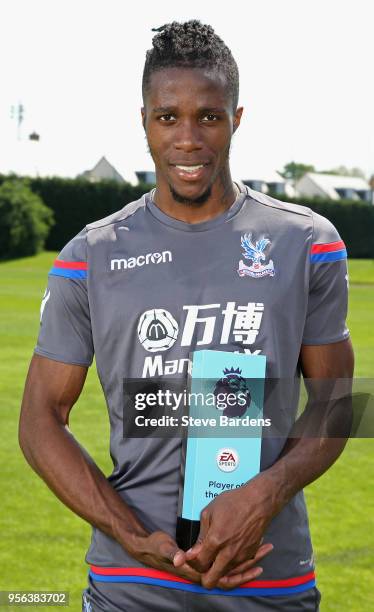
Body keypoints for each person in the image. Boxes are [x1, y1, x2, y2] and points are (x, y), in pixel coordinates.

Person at [19, 20, 354, 612]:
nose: (188, 139)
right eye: (167, 116)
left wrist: (264, 494)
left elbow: (338, 401)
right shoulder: (91, 255)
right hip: (133, 585)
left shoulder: (307, 242)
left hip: (268, 579)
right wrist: (128, 534)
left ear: (237, 119)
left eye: (209, 116)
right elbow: (40, 419)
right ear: (143, 120)